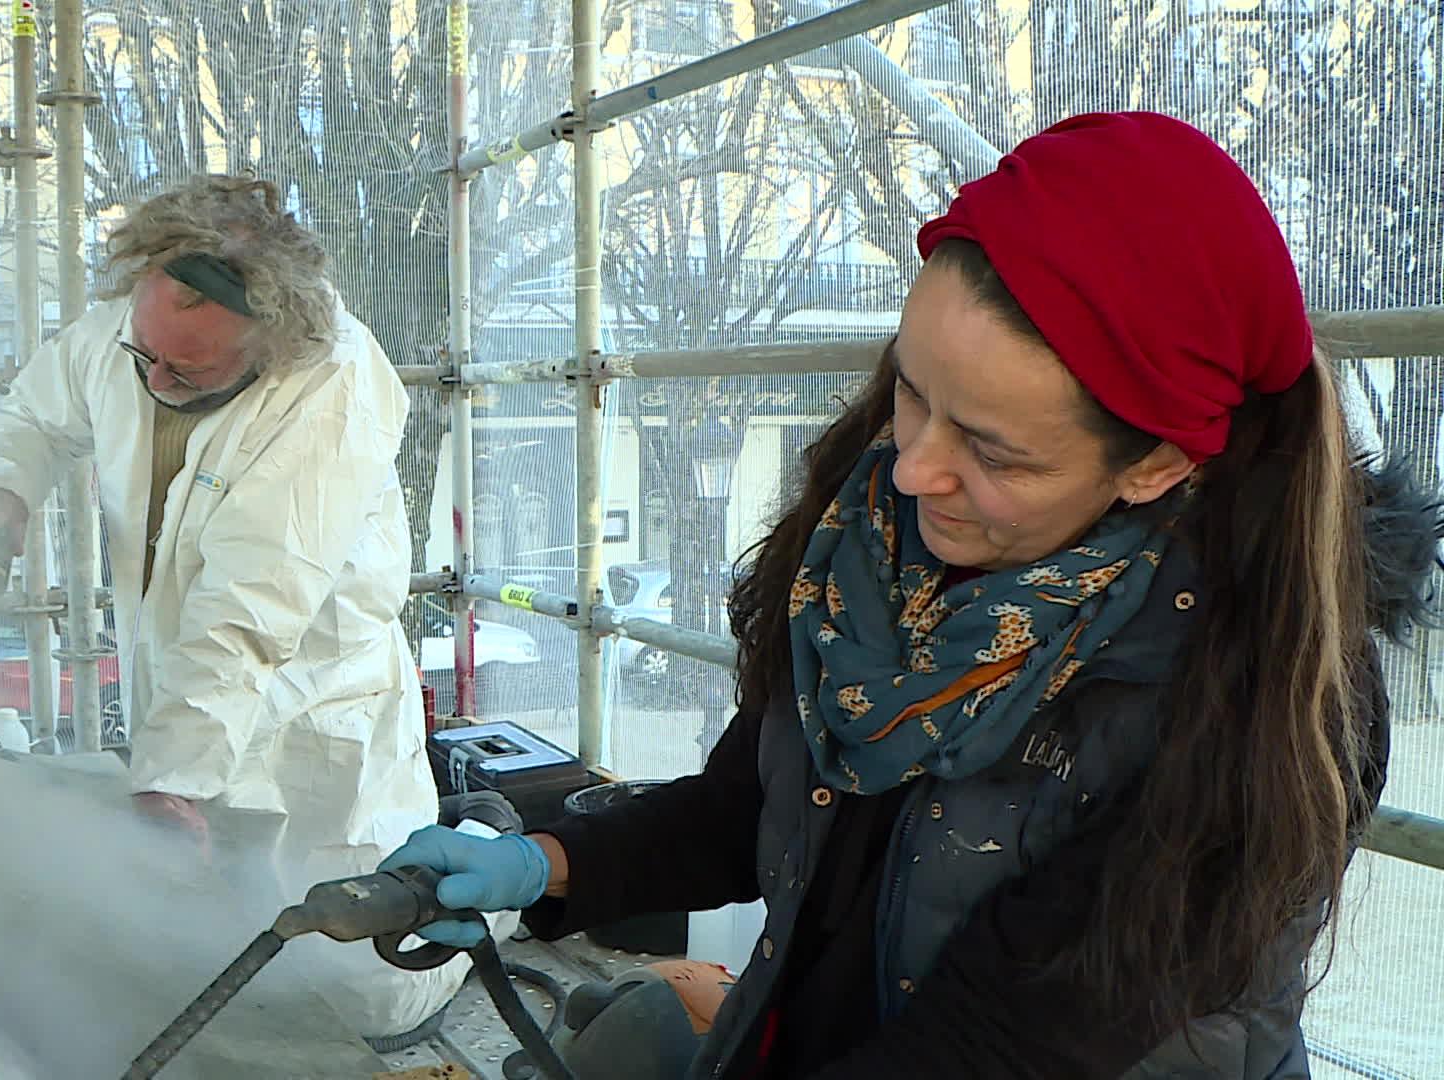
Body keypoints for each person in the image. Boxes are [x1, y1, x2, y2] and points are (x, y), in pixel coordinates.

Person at [380, 111, 1443, 1077]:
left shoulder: (1260, 693)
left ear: (1155, 466)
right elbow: (759, 803)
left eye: (991, 449)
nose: (909, 468)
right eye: (912, 388)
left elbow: (1006, 1042)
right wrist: (544, 862)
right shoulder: (871, 550)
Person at [0, 174, 469, 1044]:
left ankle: (401, 1009)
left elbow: (249, 606)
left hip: (310, 683)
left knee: (352, 942)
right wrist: (6, 487)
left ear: (272, 344)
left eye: (187, 369)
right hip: (196, 667)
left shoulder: (329, 387)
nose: (154, 377)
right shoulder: (143, 324)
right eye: (143, 355)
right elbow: (41, 412)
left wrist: (169, 780)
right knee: (209, 916)